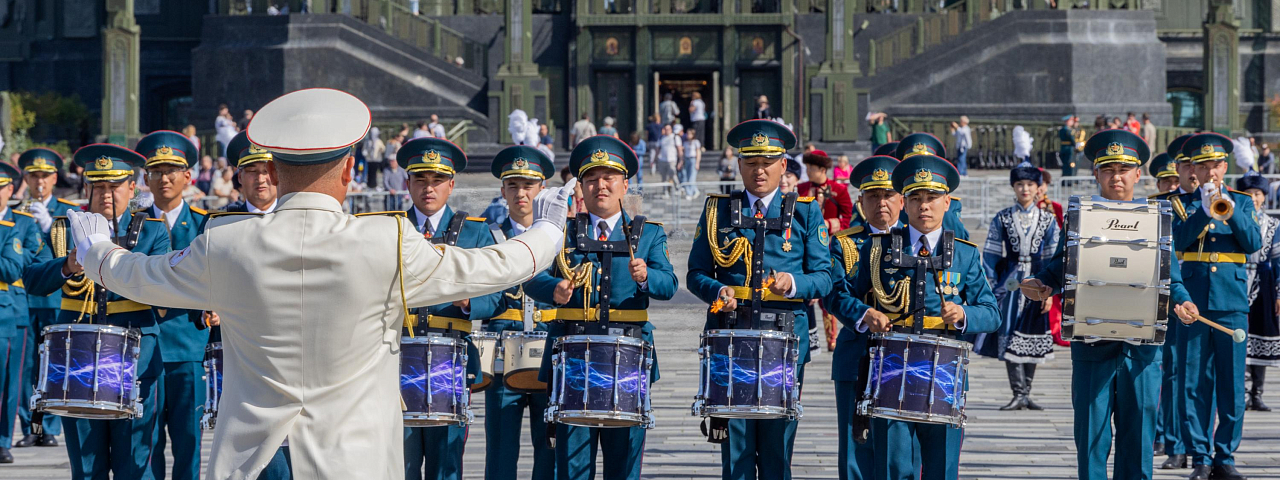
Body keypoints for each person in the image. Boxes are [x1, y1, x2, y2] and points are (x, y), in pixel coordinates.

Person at [65, 88, 576, 478]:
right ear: (350, 170)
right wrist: (550, 229)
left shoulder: (225, 242)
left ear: (273, 169)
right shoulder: (387, 240)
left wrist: (95, 249)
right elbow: (497, 265)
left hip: (253, 458)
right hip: (354, 460)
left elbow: (138, 276)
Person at [1021, 129, 1199, 480]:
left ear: (1138, 174)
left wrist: (1183, 301)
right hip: (1092, 347)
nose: (1116, 177)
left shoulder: (1157, 218)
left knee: (1138, 444)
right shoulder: (1080, 215)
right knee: (1091, 442)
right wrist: (1043, 284)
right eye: (1108, 170)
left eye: (1124, 170)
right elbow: (1061, 266)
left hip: (1142, 351)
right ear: (1096, 174)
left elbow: (1172, 278)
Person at [687, 119, 832, 480]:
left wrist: (794, 283)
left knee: (776, 451)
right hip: (731, 341)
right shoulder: (717, 211)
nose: (759, 171)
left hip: (784, 343)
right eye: (750, 163)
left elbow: (826, 277)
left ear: (784, 165)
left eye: (767, 163)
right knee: (735, 454)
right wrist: (717, 291)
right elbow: (695, 273)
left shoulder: (805, 212)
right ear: (739, 166)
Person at [527, 135, 678, 480]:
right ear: (580, 187)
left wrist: (645, 277)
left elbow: (669, 285)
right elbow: (531, 279)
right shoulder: (560, 233)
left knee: (623, 466)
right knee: (573, 467)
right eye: (591, 179)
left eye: (609, 178)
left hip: (628, 359)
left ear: (625, 185)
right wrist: (556, 289)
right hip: (573, 359)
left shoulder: (649, 234)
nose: (601, 186)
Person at [841, 153, 999, 480]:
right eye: (916, 198)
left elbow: (992, 313)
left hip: (944, 372)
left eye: (932, 198)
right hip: (892, 371)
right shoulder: (878, 249)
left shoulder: (966, 254)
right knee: (894, 467)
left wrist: (962, 315)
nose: (924, 206)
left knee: (941, 467)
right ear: (904, 203)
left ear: (947, 203)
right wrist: (865, 313)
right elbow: (841, 295)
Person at [23, 143, 172, 478]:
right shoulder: (63, 230)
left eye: (115, 186)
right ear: (87, 188)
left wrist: (109, 258)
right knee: (87, 467)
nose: (106, 194)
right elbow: (32, 279)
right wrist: (70, 263)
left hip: (136, 362)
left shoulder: (151, 231)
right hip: (78, 363)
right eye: (99, 186)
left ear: (132, 188)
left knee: (137, 464)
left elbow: (162, 286)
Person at [393, 136, 501, 480]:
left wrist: (471, 302)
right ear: (407, 183)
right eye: (420, 180)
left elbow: (499, 296)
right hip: (396, 357)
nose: (428, 188)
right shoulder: (389, 228)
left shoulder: (475, 232)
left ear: (451, 185)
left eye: (437, 180)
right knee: (399, 460)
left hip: (451, 358)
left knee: (447, 462)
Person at [1169, 132, 1260, 480]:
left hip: (1230, 302)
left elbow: (1252, 242)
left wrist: (1230, 211)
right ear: (1193, 168)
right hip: (1192, 302)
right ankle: (1199, 456)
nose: (1210, 173)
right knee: (1191, 382)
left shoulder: (1243, 201)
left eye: (1216, 165)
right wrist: (1202, 212)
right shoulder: (1181, 204)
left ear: (1225, 166)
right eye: (1203, 166)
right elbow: (1176, 241)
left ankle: (1226, 456)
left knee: (1232, 382)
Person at [134, 131, 211, 480]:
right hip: (144, 344)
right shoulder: (133, 226)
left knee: (188, 440)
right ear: (145, 178)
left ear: (187, 177)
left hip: (186, 342)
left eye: (171, 171)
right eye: (156, 171)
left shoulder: (204, 224)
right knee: (145, 440)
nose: (164, 178)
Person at [823, 154, 902, 480]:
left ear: (901, 199)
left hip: (904, 357)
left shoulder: (916, 241)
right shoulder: (845, 243)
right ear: (860, 201)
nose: (881, 203)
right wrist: (863, 313)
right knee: (856, 449)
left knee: (899, 451)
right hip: (857, 352)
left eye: (887, 195)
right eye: (873, 196)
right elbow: (833, 293)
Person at [484, 146, 558, 480]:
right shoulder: (489, 235)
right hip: (502, 350)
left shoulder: (561, 239)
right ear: (502, 191)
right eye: (512, 186)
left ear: (541, 189)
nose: (521, 193)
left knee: (550, 449)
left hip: (550, 352)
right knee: (500, 451)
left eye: (528, 185)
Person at [975, 165, 1059, 411]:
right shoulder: (1003, 217)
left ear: (1038, 188)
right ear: (1014, 187)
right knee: (1009, 334)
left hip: (1037, 282)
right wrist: (991, 285)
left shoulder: (1047, 219)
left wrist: (1050, 290)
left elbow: (1053, 256)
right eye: (1020, 184)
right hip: (1010, 284)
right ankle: (1017, 392)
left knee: (1032, 334)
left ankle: (1027, 392)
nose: (1025, 189)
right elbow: (990, 252)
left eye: (1030, 185)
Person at [12, 148, 79, 449]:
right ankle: (31, 426)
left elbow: (74, 255)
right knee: (27, 368)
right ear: (25, 178)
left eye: (45, 176)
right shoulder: (17, 212)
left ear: (55, 178)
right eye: (33, 176)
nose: (40, 182)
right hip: (26, 299)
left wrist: (49, 224)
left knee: (55, 366)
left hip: (56, 299)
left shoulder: (66, 213)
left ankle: (50, 426)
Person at [1150, 133, 1195, 470]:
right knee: (1173, 372)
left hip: (1207, 295)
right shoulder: (1162, 205)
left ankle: (1201, 447)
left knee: (1200, 377)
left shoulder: (1221, 200)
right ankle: (1173, 441)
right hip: (1172, 294)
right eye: (1186, 165)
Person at [0, 161, 35, 464]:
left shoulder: (21, 223)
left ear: (9, 190)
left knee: (9, 383)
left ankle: (2, 440)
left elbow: (12, 268)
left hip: (8, 314)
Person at [1238, 174, 1278, 414]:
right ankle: (1241, 392)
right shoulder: (1234, 219)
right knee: (1240, 335)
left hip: (1263, 282)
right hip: (1238, 278)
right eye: (1249, 193)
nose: (1253, 198)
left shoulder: (1273, 225)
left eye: (1257, 194)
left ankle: (1257, 393)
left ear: (1264, 197)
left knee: (1261, 334)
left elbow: (1278, 260)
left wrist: (1279, 293)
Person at [893, 133, 969, 240]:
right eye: (913, 162)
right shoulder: (894, 203)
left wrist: (941, 210)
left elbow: (960, 239)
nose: (922, 168)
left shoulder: (951, 206)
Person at [798, 152, 853, 231]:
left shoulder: (839, 189)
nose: (808, 172)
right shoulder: (801, 188)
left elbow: (849, 217)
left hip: (830, 239)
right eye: (807, 168)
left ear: (823, 170)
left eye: (811, 169)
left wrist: (829, 224)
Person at [680, 128, 702, 198]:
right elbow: (683, 153)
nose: (688, 135)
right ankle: (695, 191)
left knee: (692, 177)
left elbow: (698, 153)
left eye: (690, 134)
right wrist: (681, 161)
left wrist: (697, 163)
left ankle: (689, 193)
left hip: (693, 159)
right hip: (687, 159)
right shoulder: (685, 142)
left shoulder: (696, 142)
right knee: (687, 176)